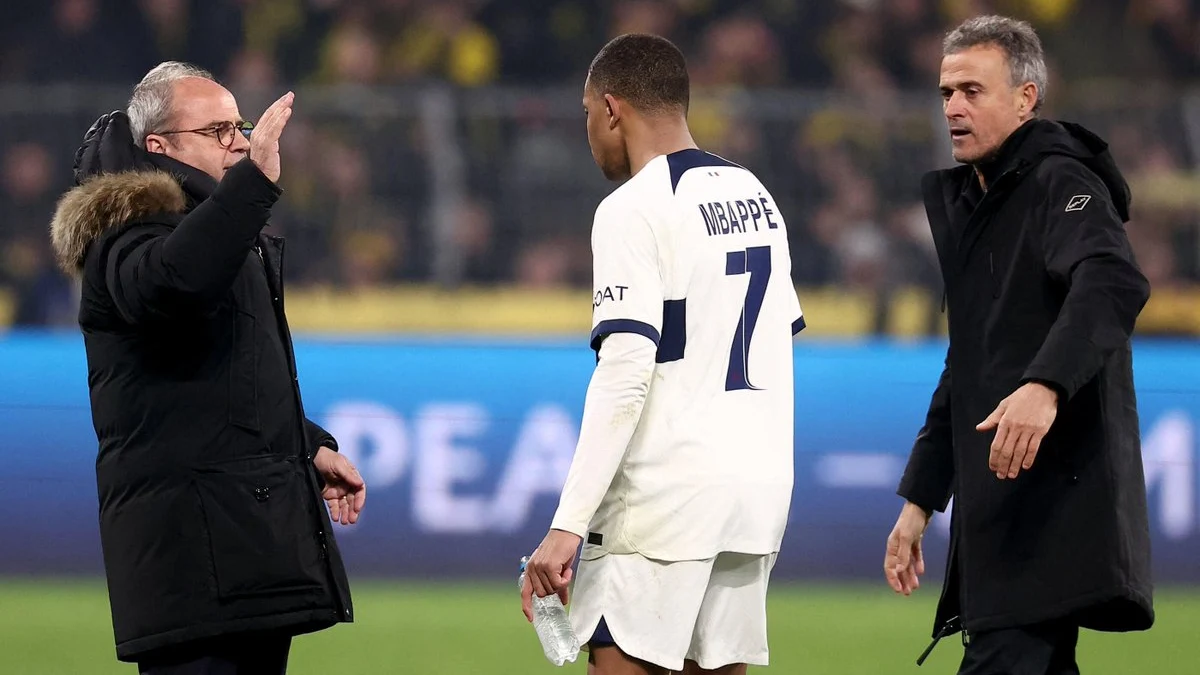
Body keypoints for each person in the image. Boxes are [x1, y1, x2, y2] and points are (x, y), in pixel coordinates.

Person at [48, 61, 366, 674]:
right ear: (159, 147)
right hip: (193, 562)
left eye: (239, 125)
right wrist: (253, 186)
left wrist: (308, 445)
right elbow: (174, 282)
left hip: (236, 553)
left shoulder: (212, 235)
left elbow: (223, 382)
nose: (241, 141)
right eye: (219, 130)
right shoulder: (126, 231)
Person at [520, 34, 804, 675]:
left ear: (613, 109)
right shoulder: (756, 196)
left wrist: (568, 524)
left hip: (663, 507)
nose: (588, 132)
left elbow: (625, 374)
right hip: (752, 497)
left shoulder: (632, 207)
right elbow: (775, 339)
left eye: (587, 113)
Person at [884, 15, 1154, 674]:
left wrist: (1045, 385)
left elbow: (1113, 281)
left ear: (1026, 98)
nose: (953, 107)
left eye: (973, 91)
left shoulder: (1060, 182)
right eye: (947, 91)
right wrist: (921, 497)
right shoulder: (979, 203)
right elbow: (969, 359)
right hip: (1000, 515)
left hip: (1046, 511)